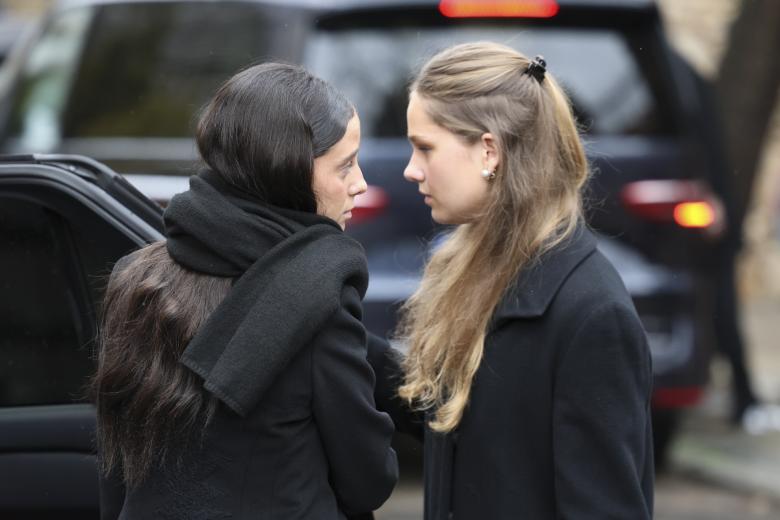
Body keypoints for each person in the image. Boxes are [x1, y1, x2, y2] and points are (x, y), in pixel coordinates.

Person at [92, 62, 398, 519]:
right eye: (345, 165)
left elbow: (118, 463)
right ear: (288, 171)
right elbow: (369, 478)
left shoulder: (135, 275)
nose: (360, 184)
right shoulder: (315, 294)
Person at [368, 42, 654, 519]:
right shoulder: (482, 272)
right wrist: (331, 330)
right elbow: (451, 416)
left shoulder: (592, 316)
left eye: (425, 148)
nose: (411, 169)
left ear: (488, 150)